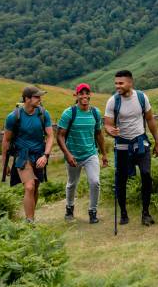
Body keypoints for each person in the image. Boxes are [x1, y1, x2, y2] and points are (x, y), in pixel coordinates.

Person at [104, 70, 158, 226]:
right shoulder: (112, 101)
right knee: (121, 179)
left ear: (130, 82)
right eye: (116, 83)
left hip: (141, 144)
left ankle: (146, 213)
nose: (117, 86)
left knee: (146, 174)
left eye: (121, 83)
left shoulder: (142, 98)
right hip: (122, 146)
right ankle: (123, 213)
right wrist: (110, 130)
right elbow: (107, 125)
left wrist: (157, 142)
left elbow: (150, 120)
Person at [1, 86, 54, 224]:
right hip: (22, 155)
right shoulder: (13, 117)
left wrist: (45, 156)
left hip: (39, 154)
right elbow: (6, 141)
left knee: (36, 186)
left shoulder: (43, 114)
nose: (40, 99)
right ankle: (29, 221)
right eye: (37, 97)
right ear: (27, 99)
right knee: (29, 186)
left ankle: (31, 216)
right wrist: (4, 164)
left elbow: (50, 136)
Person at [56, 83, 107, 224]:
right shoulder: (69, 113)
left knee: (95, 182)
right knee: (72, 183)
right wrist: (67, 154)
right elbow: (59, 135)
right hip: (73, 155)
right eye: (81, 93)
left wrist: (104, 154)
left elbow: (99, 134)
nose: (84, 96)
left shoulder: (95, 113)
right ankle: (69, 208)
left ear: (90, 95)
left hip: (91, 154)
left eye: (87, 93)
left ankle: (93, 212)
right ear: (76, 95)